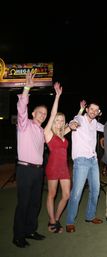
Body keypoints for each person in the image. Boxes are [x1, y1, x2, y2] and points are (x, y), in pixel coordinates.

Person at [12, 72, 47, 248]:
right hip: (25, 170)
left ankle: (30, 230)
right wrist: (27, 88)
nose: (42, 115)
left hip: (38, 171)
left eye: (44, 114)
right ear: (33, 113)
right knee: (23, 203)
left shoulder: (41, 131)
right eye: (40, 112)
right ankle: (18, 236)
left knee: (35, 203)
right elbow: (21, 109)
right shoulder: (24, 125)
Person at [43, 84, 82, 233]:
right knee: (52, 194)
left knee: (66, 195)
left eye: (61, 120)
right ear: (53, 122)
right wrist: (57, 96)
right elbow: (52, 114)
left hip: (64, 168)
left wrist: (80, 110)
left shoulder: (62, 134)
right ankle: (52, 221)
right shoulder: (48, 133)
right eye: (57, 120)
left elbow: (73, 124)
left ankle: (57, 218)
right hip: (53, 167)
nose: (59, 122)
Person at [65, 101, 104, 232]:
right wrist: (72, 125)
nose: (93, 111)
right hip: (81, 160)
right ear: (87, 109)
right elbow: (73, 122)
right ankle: (70, 221)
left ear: (98, 112)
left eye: (96, 110)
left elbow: (106, 128)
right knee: (76, 192)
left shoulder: (95, 123)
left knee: (96, 190)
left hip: (93, 160)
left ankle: (90, 215)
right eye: (91, 109)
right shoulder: (79, 118)